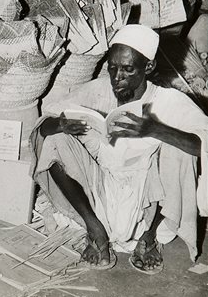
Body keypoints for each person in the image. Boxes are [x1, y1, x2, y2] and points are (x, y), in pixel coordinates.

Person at [31, 24, 208, 274]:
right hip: (100, 186)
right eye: (112, 68)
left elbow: (203, 144)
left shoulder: (169, 100)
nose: (117, 77)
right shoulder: (98, 89)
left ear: (148, 67)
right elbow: (41, 130)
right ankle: (96, 231)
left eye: (127, 69)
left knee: (180, 150)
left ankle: (149, 237)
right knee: (54, 140)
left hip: (149, 196)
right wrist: (61, 124)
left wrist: (154, 130)